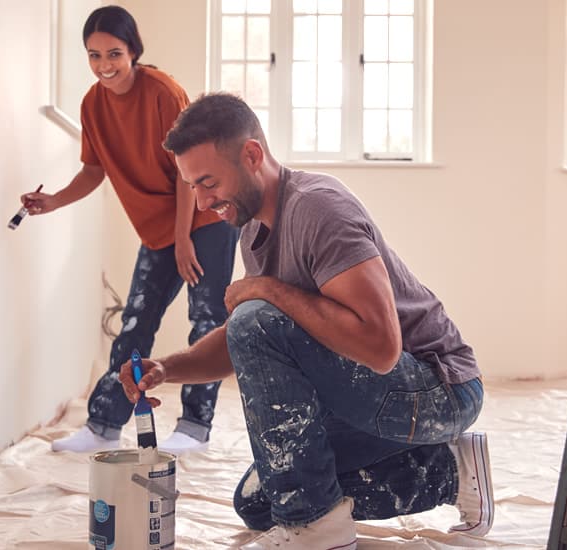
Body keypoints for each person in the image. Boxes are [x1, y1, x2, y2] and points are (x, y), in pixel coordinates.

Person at [119, 93, 493, 548]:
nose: (200, 203)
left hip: (439, 390)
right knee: (260, 503)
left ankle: (317, 529)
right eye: (192, 186)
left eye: (208, 182)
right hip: (380, 395)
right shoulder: (254, 231)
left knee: (256, 323)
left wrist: (268, 290)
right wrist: (167, 369)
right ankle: (452, 470)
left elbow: (380, 348)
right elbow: (245, 339)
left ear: (252, 155)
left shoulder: (320, 208)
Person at [21, 6, 238, 455]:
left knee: (206, 321)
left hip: (207, 216)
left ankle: (195, 427)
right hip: (161, 227)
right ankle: (103, 424)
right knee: (135, 325)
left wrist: (184, 238)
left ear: (133, 51)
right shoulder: (91, 105)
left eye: (114, 53)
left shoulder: (163, 92)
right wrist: (54, 201)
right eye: (94, 55)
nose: (104, 65)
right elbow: (93, 169)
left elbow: (186, 172)